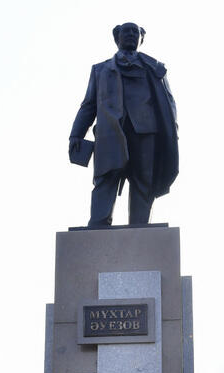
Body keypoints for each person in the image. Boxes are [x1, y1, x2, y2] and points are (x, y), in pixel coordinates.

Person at [69, 21, 178, 227]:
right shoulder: (100, 70)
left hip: (146, 132)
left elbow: (168, 102)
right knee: (106, 178)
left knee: (143, 181)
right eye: (126, 31)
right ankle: (99, 223)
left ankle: (140, 227)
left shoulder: (154, 69)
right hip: (110, 132)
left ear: (141, 39)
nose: (130, 35)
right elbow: (88, 105)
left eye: (135, 32)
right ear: (116, 37)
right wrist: (76, 134)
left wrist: (173, 132)